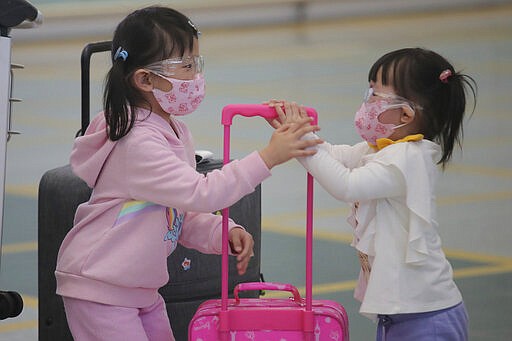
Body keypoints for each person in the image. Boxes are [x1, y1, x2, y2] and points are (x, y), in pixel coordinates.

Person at [55, 6, 322, 341]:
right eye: (186, 65)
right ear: (145, 79)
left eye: (197, 63)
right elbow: (201, 192)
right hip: (101, 287)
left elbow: (175, 209)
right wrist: (267, 157)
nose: (195, 76)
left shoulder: (174, 129)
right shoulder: (137, 142)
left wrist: (221, 231)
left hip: (140, 287)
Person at [267, 47, 477, 341]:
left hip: (426, 315)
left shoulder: (408, 158)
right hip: (401, 312)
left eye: (375, 96)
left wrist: (299, 141)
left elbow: (347, 185)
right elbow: (336, 155)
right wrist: (296, 130)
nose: (367, 103)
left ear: (405, 113)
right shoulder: (383, 148)